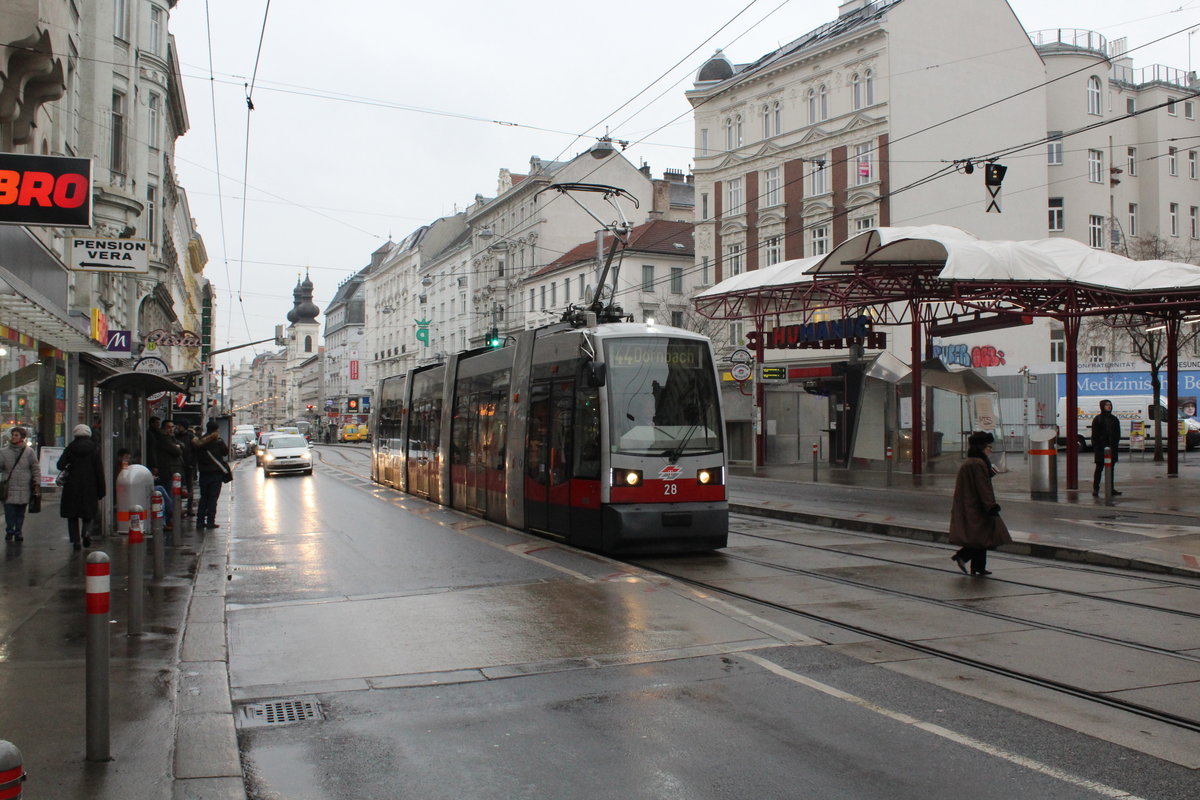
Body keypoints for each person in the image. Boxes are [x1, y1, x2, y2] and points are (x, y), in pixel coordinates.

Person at [949, 431, 1012, 576]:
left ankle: (977, 566)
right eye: (989, 446)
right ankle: (964, 557)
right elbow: (983, 487)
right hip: (977, 506)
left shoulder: (972, 462)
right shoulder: (978, 463)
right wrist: (990, 506)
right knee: (983, 536)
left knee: (981, 537)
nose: (991, 449)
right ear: (981, 447)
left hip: (971, 504)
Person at [58, 425, 105, 551]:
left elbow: (60, 465)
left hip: (72, 486)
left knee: (72, 515)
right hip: (90, 485)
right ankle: (87, 532)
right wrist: (101, 490)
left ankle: (76, 541)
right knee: (88, 512)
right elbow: (99, 470)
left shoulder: (70, 448)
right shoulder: (94, 449)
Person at [1, 426, 41, 542]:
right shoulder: (3, 452)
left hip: (24, 486)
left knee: (20, 512)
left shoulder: (29, 452)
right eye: (13, 435)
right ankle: (10, 531)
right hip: (8, 487)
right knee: (9, 512)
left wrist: (37, 482)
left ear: (22, 437)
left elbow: (35, 468)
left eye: (16, 435)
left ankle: (18, 531)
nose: (13, 437)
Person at [193, 421, 229, 529]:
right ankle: (210, 521)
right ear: (216, 430)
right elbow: (225, 452)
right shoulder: (218, 441)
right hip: (215, 473)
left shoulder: (199, 441)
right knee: (213, 498)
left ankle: (199, 521)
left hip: (203, 473)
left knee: (204, 497)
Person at [1091, 398, 1122, 497]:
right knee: (1099, 468)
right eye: (1107, 405)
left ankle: (1110, 488)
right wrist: (1099, 444)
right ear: (1102, 406)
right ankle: (1096, 488)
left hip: (1112, 448)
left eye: (1110, 405)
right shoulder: (1098, 419)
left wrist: (1114, 443)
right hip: (1101, 448)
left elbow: (1117, 433)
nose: (1109, 406)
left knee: (1111, 469)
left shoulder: (1114, 419)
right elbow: (1095, 434)